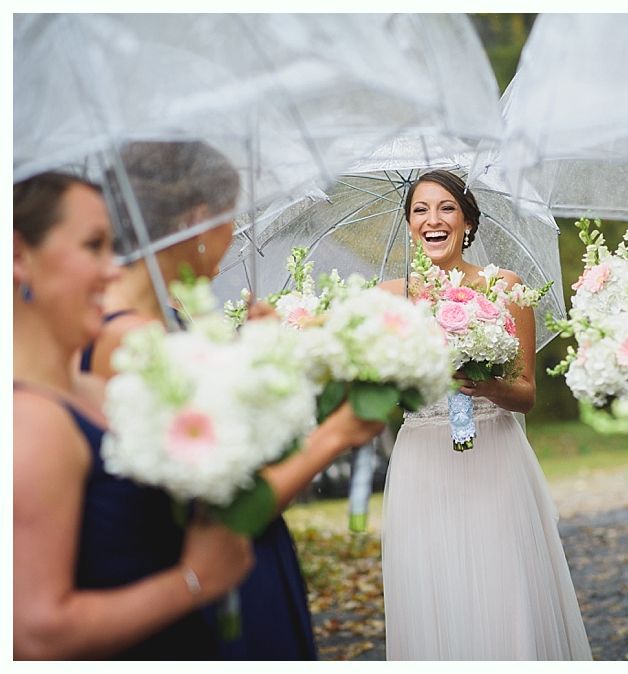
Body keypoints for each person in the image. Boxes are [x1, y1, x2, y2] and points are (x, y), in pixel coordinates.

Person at [81, 141, 385, 659]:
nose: (230, 238)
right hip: (210, 584)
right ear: (197, 219)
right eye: (228, 218)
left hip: (243, 568)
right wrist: (340, 433)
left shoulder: (161, 322)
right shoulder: (126, 342)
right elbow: (223, 504)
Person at [13, 172, 253, 659]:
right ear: (18, 257)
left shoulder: (96, 393)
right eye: (93, 246)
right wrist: (196, 579)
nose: (112, 269)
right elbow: (37, 633)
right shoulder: (30, 423)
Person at [378, 170, 592, 660]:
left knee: (500, 585)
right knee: (432, 584)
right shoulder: (390, 297)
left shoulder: (504, 287)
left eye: (446, 208)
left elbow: (527, 394)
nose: (433, 220)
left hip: (491, 454)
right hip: (422, 459)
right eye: (420, 210)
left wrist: (486, 384)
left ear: (468, 222)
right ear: (410, 225)